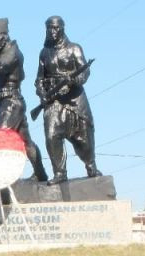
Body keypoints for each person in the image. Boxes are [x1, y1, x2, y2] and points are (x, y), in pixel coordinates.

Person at [0, 17, 49, 182]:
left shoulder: (13, 51)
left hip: (12, 102)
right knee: (27, 142)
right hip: (4, 103)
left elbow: (1, 67)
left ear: (5, 35)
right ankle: (41, 174)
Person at [35, 16, 100, 184]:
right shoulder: (44, 52)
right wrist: (42, 94)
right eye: (49, 28)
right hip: (53, 101)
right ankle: (59, 172)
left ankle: (90, 165)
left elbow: (84, 72)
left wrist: (72, 82)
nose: (52, 31)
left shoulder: (74, 48)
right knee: (51, 136)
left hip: (75, 100)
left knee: (84, 138)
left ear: (62, 28)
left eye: (56, 28)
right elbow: (39, 79)